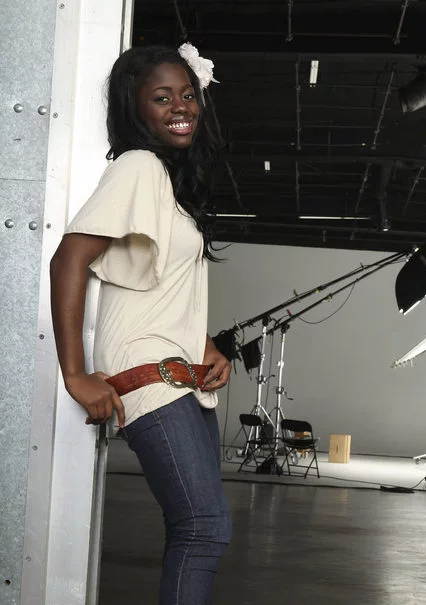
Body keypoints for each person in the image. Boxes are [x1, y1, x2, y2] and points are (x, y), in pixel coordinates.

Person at [50, 43, 232, 605]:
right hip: (150, 376)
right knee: (202, 528)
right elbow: (69, 258)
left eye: (187, 95)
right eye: (162, 98)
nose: (181, 107)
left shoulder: (167, 184)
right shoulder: (138, 165)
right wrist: (76, 374)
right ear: (136, 108)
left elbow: (157, 284)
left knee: (198, 528)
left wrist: (204, 344)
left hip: (183, 378)